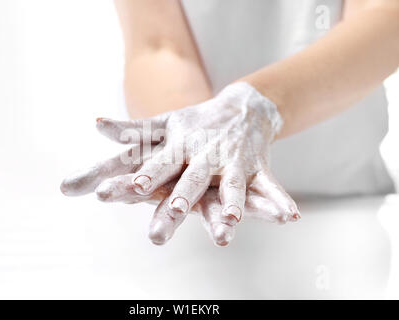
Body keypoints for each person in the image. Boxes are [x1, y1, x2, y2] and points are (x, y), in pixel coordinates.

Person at [61, 0, 399, 247]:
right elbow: (160, 45)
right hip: (186, 220)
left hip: (345, 212)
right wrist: (192, 151)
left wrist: (256, 106)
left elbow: (386, 20)